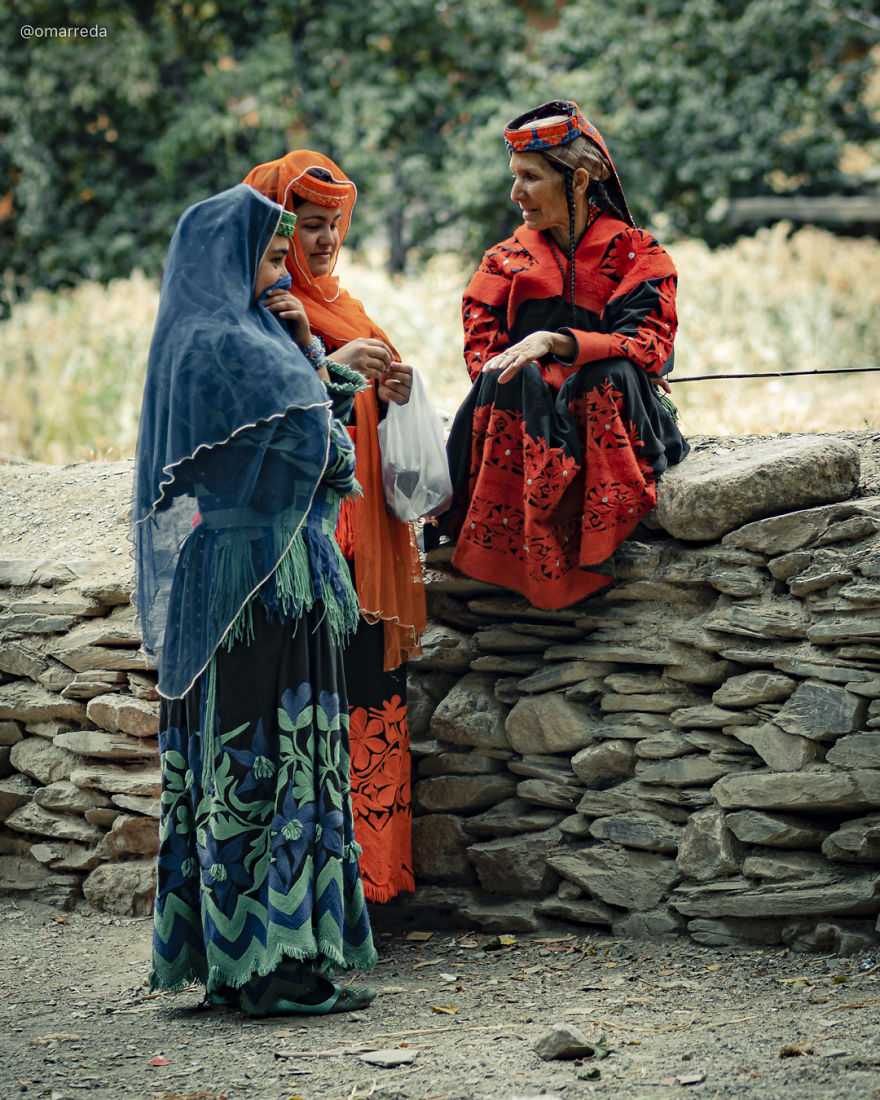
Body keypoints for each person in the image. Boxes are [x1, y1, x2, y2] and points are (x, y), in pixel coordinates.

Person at [131, 183, 378, 1016]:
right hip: (272, 579)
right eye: (273, 256)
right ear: (233, 259)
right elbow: (332, 458)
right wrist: (309, 345)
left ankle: (228, 955)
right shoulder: (249, 344)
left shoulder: (186, 341)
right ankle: (282, 969)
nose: (286, 275)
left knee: (223, 757)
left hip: (215, 571)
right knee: (279, 757)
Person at [242, 151, 425, 904]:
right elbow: (260, 423)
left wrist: (396, 388)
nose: (323, 242)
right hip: (305, 544)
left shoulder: (345, 308)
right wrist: (334, 368)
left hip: (366, 536)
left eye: (331, 226)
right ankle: (321, 896)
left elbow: (360, 413)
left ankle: (377, 888)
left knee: (370, 693)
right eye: (305, 228)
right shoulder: (258, 312)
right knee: (315, 706)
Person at [437, 100, 689, 609]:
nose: (516, 193)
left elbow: (647, 345)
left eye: (530, 177)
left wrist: (559, 344)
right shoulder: (504, 261)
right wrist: (543, 376)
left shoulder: (639, 254)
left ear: (576, 181)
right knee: (504, 376)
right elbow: (481, 353)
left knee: (609, 371)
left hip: (610, 409)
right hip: (529, 417)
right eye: (515, 177)